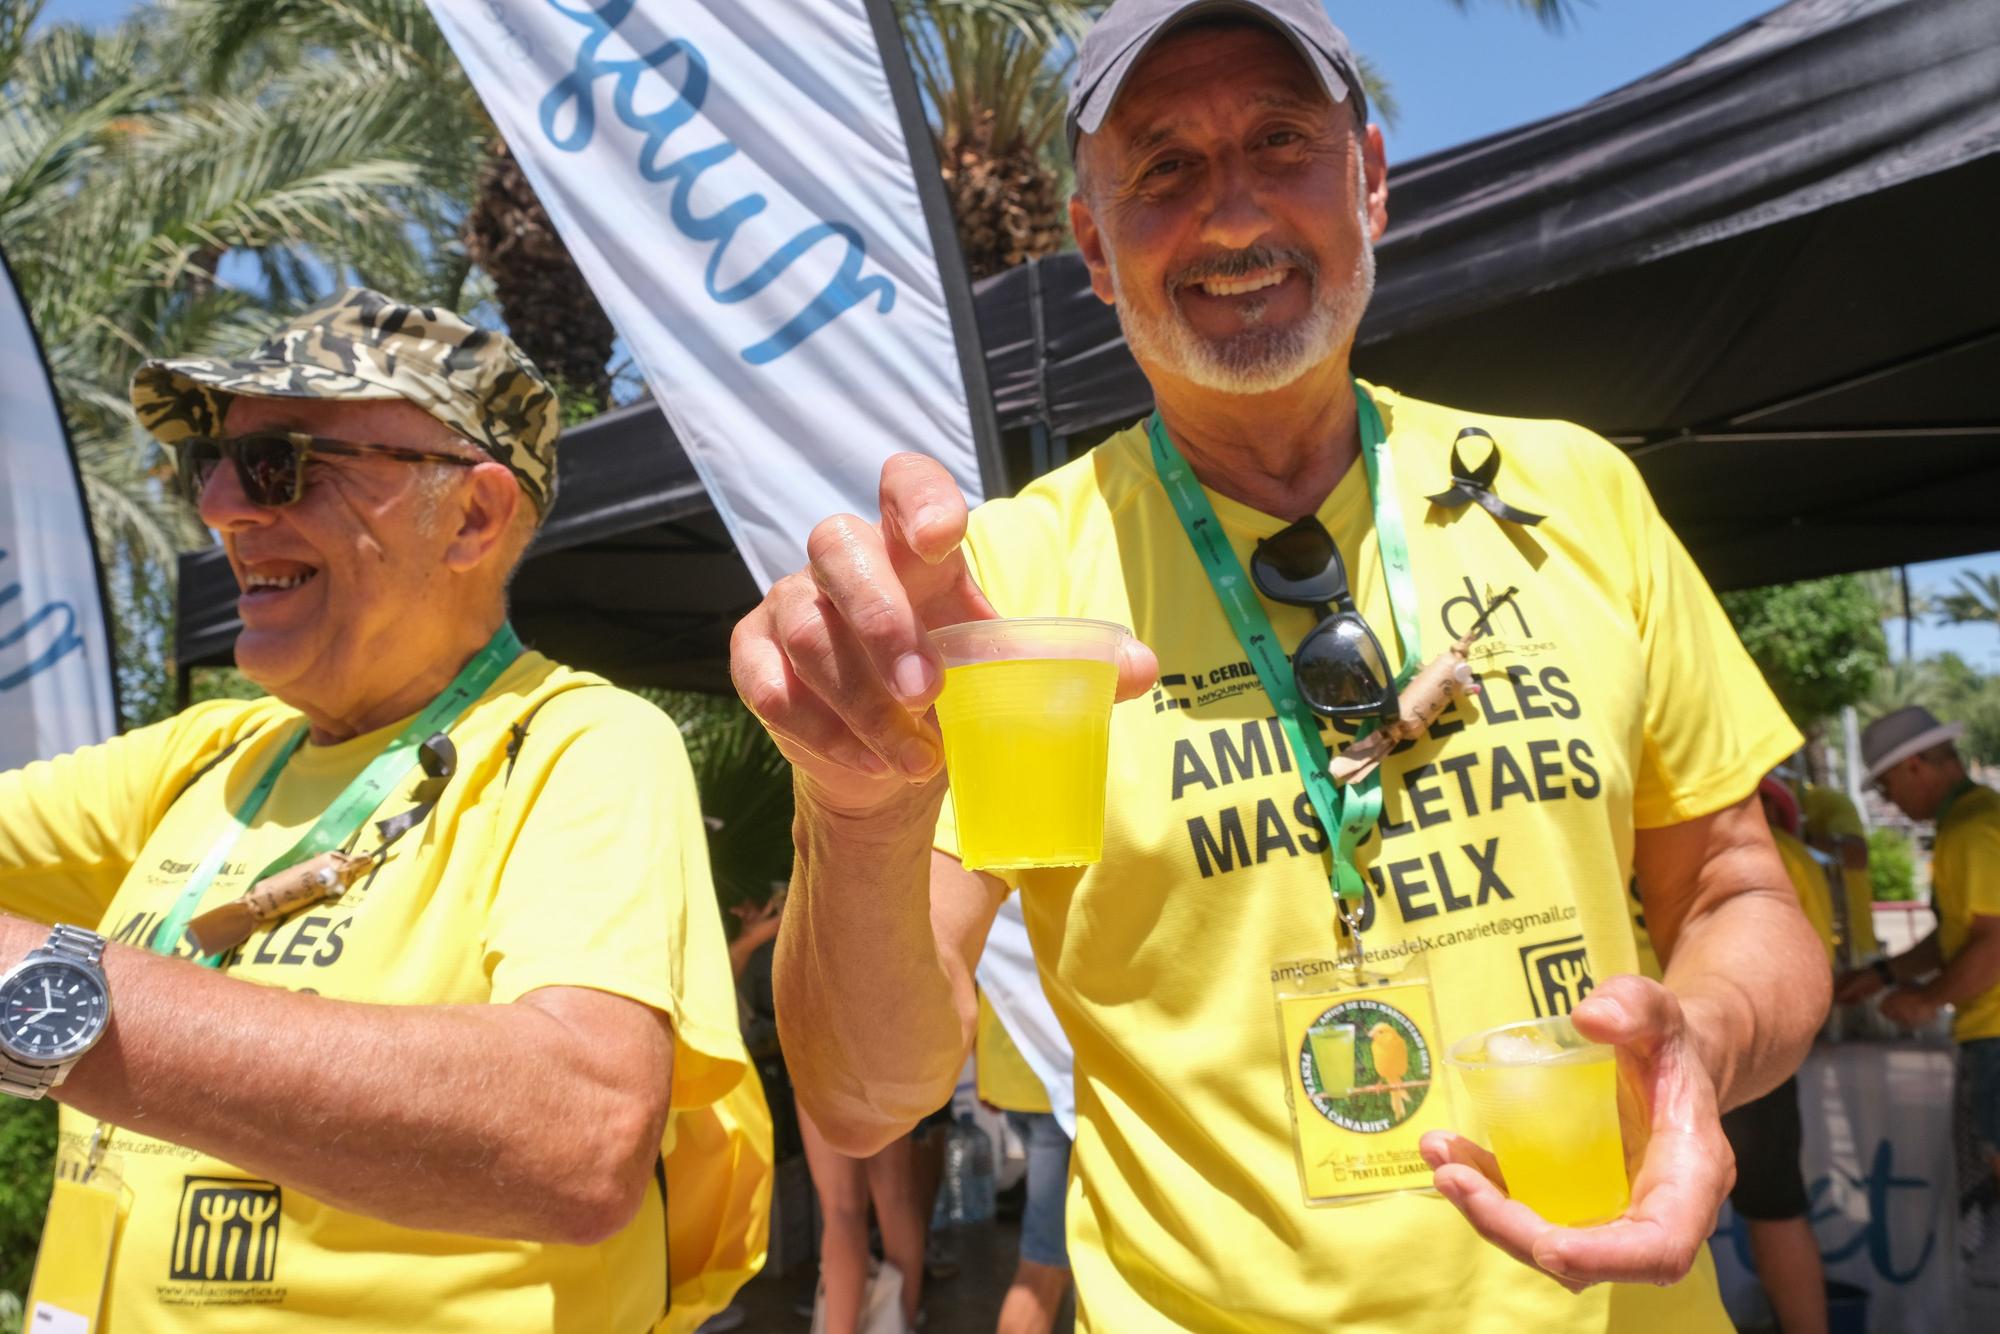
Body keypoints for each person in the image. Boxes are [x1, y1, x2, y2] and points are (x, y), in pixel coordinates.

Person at [732, 1, 1829, 1327]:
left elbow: (1737, 887)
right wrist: (857, 810)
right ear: (1092, 242)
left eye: (1278, 139)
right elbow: (864, 1091)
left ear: (1368, 179)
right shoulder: (1004, 584)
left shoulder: (1572, 488)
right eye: (1165, 170)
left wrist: (1698, 1045)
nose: (1236, 213)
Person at [0, 289, 767, 1331]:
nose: (223, 504)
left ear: (473, 515)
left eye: (282, 463)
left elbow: (578, 1133)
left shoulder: (574, 742)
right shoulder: (204, 756)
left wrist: (48, 994)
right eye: (210, 465)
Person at [1836, 708, 2000, 1199]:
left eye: (1886, 788)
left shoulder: (1974, 828)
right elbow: (1961, 934)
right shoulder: (1969, 821)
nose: (1891, 801)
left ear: (1913, 766)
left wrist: (1928, 1000)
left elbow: (1994, 944)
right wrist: (1885, 972)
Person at [1715, 777, 1833, 1334]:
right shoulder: (1788, 858)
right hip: (1745, 1043)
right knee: (1776, 1207)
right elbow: (1814, 964)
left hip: (1633, 1039)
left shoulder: (1634, 845)